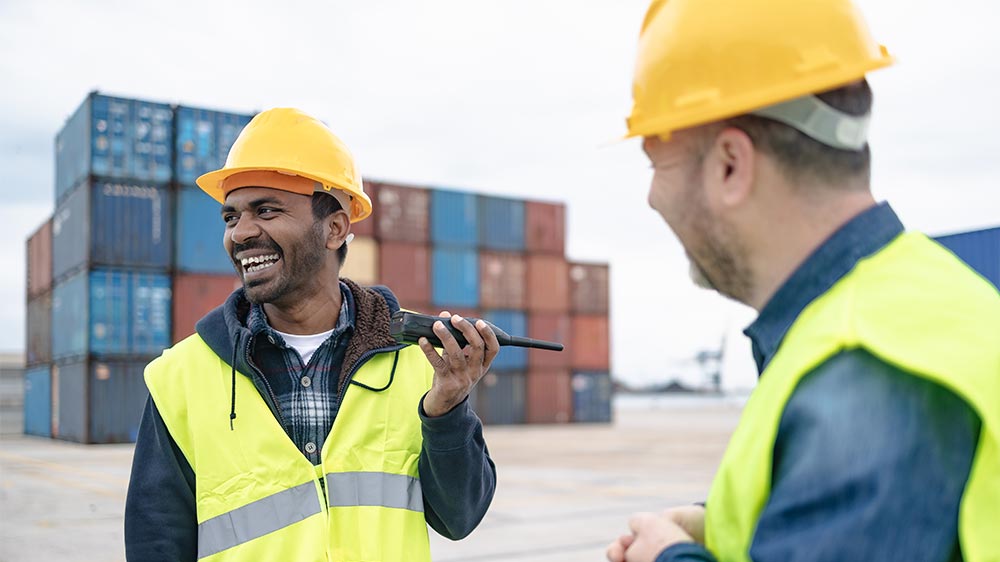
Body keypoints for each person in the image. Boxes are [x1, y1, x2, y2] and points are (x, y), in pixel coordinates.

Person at [606, 0, 1000, 561]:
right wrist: (725, 530)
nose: (652, 198)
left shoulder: (863, 374)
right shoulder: (929, 303)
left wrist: (669, 557)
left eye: (657, 163)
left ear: (730, 165)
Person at [125, 107, 499, 562]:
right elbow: (155, 543)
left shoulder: (417, 362)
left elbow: (460, 518)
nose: (240, 233)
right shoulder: (179, 379)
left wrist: (447, 413)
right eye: (230, 217)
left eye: (266, 210)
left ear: (334, 228)